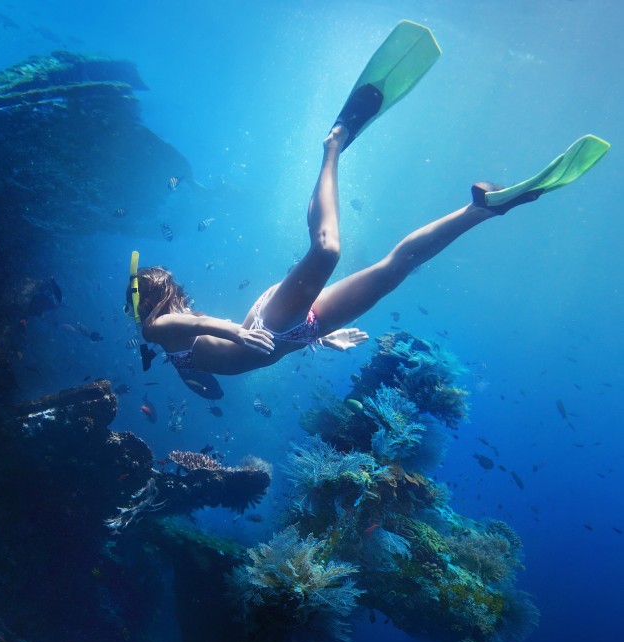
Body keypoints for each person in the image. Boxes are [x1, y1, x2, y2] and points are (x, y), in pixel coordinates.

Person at [125, 21, 608, 383]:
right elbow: (204, 361)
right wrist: (315, 340)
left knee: (327, 251)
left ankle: (333, 142)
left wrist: (239, 335)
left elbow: (203, 322)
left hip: (270, 323)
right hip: (297, 334)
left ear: (147, 299)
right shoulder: (167, 346)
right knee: (395, 271)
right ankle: (480, 210)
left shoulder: (157, 328)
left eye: (135, 299)